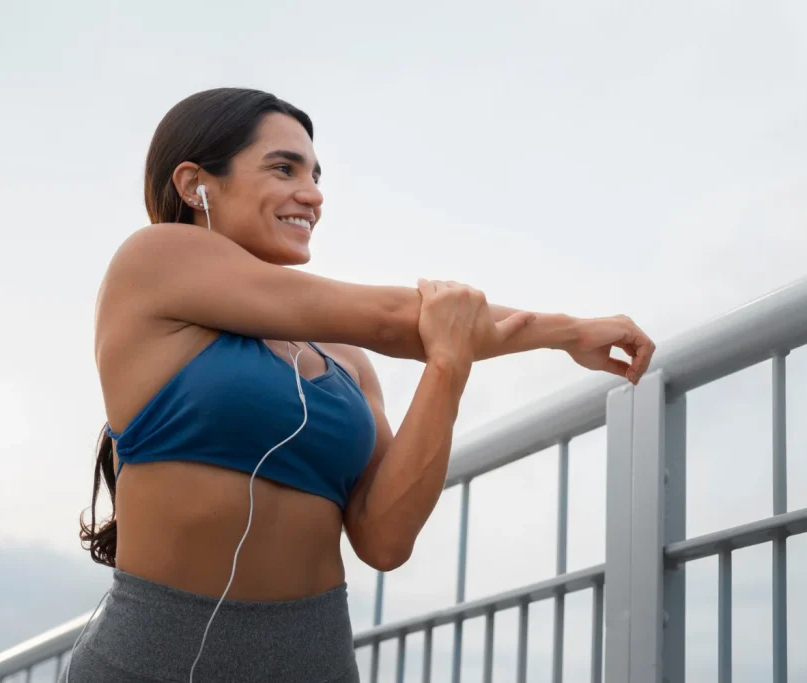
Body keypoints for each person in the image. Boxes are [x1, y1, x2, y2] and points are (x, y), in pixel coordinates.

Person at [65, 87, 656, 683]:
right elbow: (396, 318)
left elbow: (384, 540)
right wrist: (569, 330)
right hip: (148, 661)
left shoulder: (346, 362)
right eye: (283, 168)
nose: (314, 194)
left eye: (316, 175)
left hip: (316, 662)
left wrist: (448, 369)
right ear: (196, 183)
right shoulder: (152, 262)